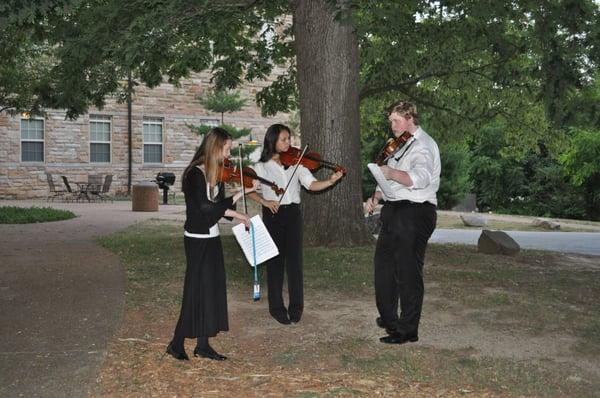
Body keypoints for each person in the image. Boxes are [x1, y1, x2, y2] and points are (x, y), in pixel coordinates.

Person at [166, 127, 256, 361]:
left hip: (212, 238)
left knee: (210, 291)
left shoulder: (218, 173)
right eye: (226, 149)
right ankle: (176, 343)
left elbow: (223, 214)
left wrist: (239, 212)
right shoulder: (194, 175)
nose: (228, 154)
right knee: (194, 292)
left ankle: (203, 345)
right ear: (215, 147)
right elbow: (206, 210)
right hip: (196, 241)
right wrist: (237, 197)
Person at [247, 123, 344, 325]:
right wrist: (265, 201)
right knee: (274, 262)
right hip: (272, 214)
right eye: (283, 139)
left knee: (295, 263)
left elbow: (311, 185)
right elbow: (249, 189)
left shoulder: (297, 163)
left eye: (289, 139)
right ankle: (276, 307)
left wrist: (331, 180)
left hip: (292, 214)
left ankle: (296, 307)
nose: (288, 143)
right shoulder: (261, 166)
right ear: (272, 140)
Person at [365, 101, 440, 344]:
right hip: (394, 209)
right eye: (391, 121)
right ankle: (389, 319)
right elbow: (387, 178)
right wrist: (376, 196)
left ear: (410, 118)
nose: (392, 125)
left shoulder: (424, 145)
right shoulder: (398, 144)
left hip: (416, 212)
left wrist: (391, 173)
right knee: (384, 268)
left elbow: (420, 177)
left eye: (396, 120)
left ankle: (408, 330)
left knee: (408, 273)